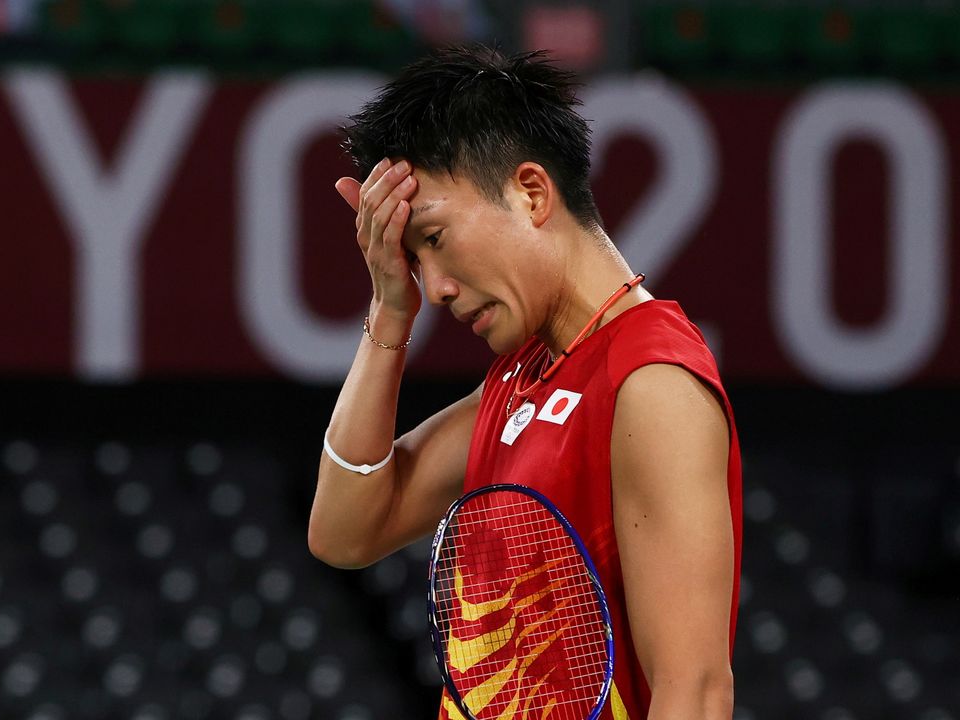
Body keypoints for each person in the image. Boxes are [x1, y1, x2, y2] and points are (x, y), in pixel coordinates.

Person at [308, 45, 742, 719]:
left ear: (532, 192)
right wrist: (390, 308)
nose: (439, 288)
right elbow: (344, 531)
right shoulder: (520, 377)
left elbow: (696, 690)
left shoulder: (650, 383)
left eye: (436, 237)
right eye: (413, 259)